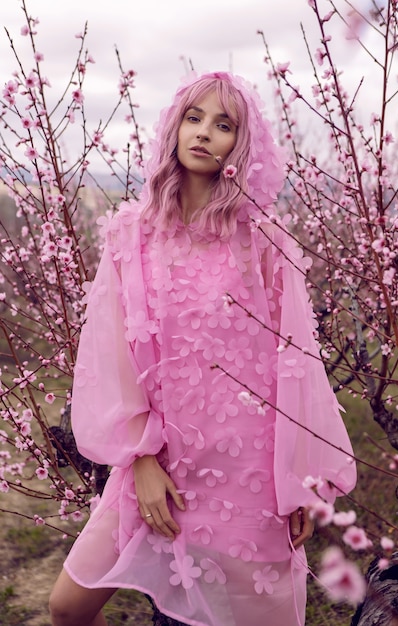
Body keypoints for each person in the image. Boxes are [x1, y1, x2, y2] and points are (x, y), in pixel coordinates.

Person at [49, 71, 357, 626]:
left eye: (223, 125)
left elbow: (296, 362)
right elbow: (110, 351)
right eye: (194, 118)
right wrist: (140, 457)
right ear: (174, 126)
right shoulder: (130, 233)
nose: (204, 133)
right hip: (160, 459)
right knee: (67, 607)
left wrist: (301, 480)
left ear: (242, 146)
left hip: (249, 473)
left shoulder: (263, 240)